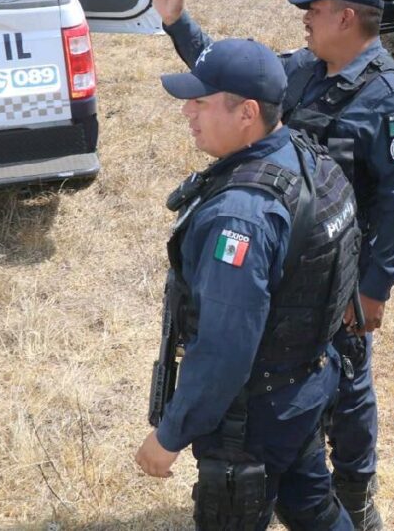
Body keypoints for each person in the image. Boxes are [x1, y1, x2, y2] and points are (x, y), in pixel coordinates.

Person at [150, 0, 394, 530]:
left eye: (315, 10)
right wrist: (179, 22)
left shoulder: (392, 99)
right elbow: (236, 82)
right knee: (305, 405)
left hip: (337, 274)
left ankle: (357, 490)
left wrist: (375, 288)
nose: (304, 20)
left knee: (348, 394)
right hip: (282, 269)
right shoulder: (304, 70)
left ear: (346, 18)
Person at [134, 38, 356, 530]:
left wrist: (169, 436)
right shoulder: (307, 157)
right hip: (304, 386)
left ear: (247, 113)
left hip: (251, 418)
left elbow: (223, 349)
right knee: (311, 506)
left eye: (202, 101)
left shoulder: (241, 216)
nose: (188, 112)